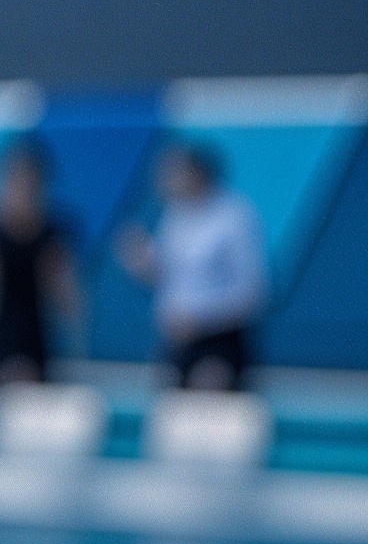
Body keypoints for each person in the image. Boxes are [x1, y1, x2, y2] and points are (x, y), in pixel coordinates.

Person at [114, 141, 268, 392]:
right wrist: (140, 260)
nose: (165, 180)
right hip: (177, 342)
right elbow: (171, 278)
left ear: (197, 173)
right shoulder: (175, 215)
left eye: (173, 172)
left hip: (219, 341)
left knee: (208, 410)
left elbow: (252, 293)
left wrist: (199, 320)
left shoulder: (234, 217)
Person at [0, 139, 80, 388]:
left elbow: (68, 299)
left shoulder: (51, 235)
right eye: (15, 183)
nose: (22, 192)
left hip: (38, 343)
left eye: (29, 185)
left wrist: (76, 354)